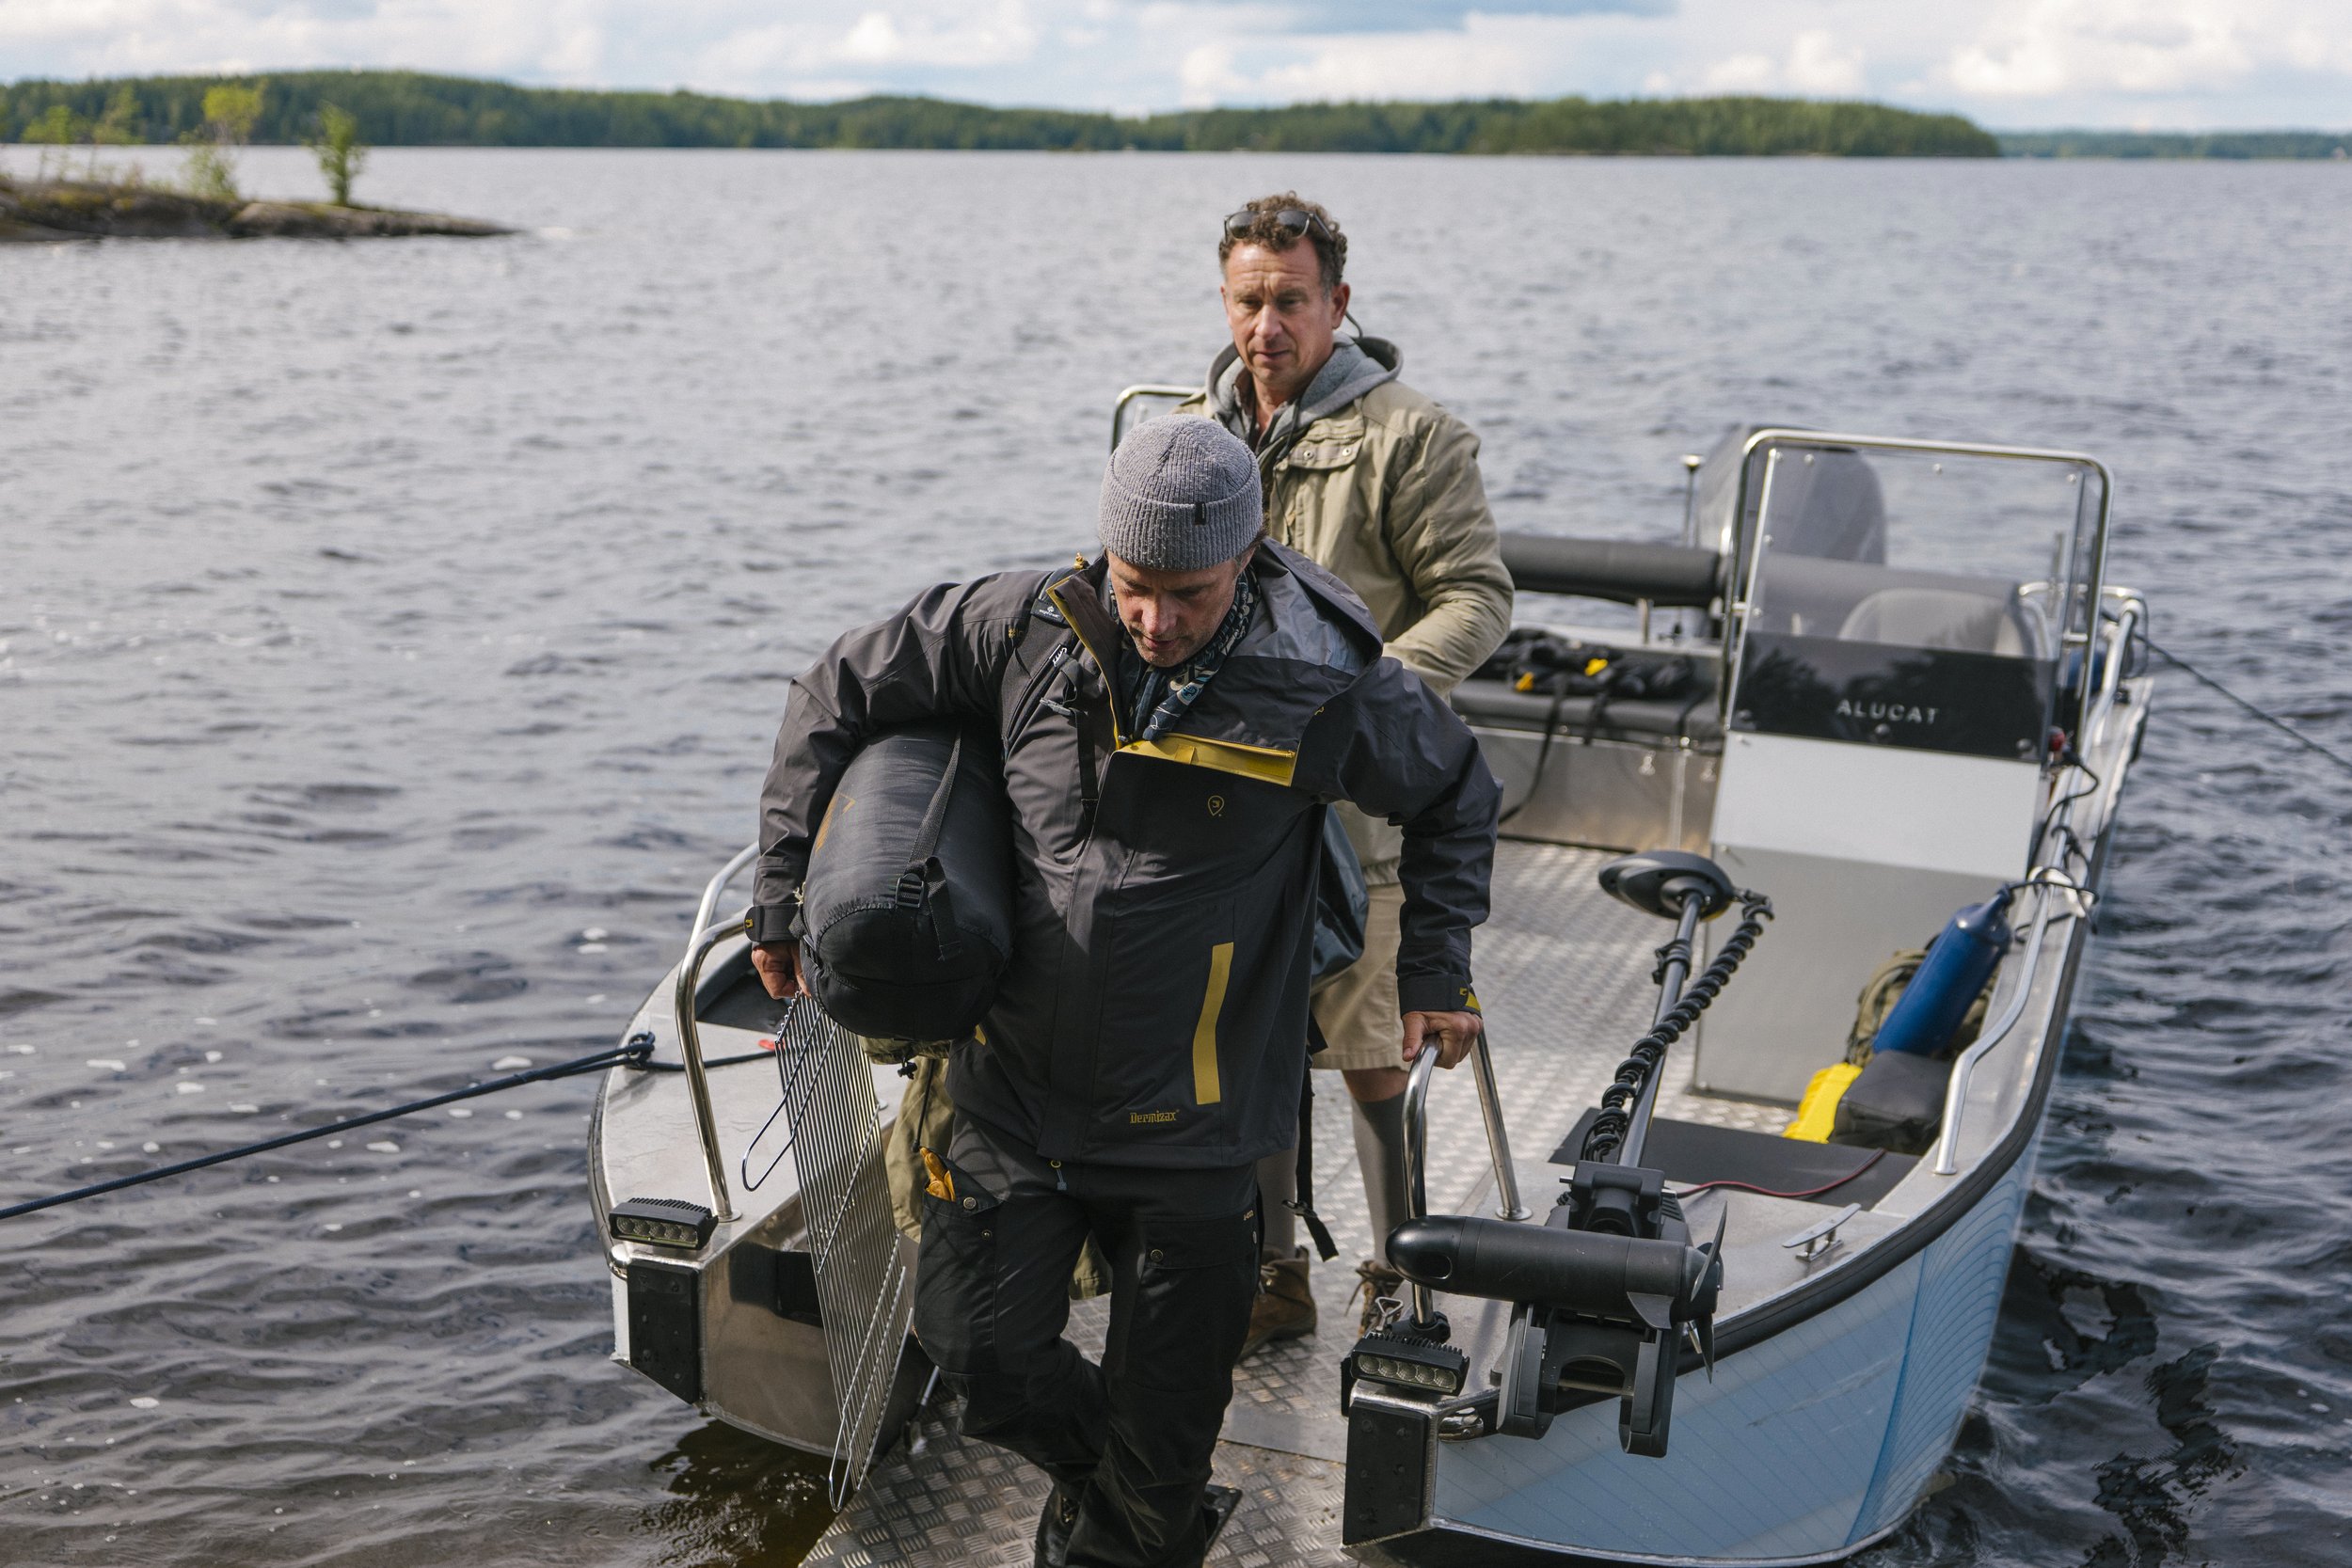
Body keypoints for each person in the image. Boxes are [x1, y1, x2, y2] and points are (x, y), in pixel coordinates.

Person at [749, 417, 1499, 1568]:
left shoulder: (1322, 682)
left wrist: (1436, 966)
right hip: (1011, 1099)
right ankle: (1142, 1504)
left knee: (1151, 1469)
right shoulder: (1017, 626)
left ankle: (1134, 1517)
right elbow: (836, 685)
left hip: (1196, 1130)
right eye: (1134, 585)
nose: (1153, 620)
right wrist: (780, 885)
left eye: (1188, 593)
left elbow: (1454, 791)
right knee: (986, 1362)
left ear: (1244, 558)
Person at [1178, 193, 1513, 1349]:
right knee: (1246, 1046)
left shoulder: (1410, 436)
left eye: (1289, 300)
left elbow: (1477, 596)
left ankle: (1397, 1276)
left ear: (1337, 303)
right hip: (1225, 806)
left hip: (1355, 817)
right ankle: (1274, 1268)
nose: (1265, 326)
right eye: (1246, 300)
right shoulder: (1192, 431)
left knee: (1371, 1055)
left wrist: (1367, 704)